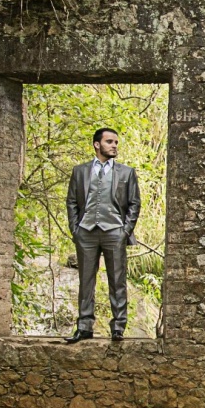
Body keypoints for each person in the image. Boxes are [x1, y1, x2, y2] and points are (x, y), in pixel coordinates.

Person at [64, 127, 142, 343]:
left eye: (116, 142)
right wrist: (75, 229)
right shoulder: (80, 171)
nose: (114, 145)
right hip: (86, 232)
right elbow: (71, 201)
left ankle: (118, 327)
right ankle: (84, 326)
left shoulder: (126, 172)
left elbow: (135, 203)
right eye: (109, 142)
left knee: (117, 280)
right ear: (97, 145)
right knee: (86, 280)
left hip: (114, 232)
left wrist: (125, 231)